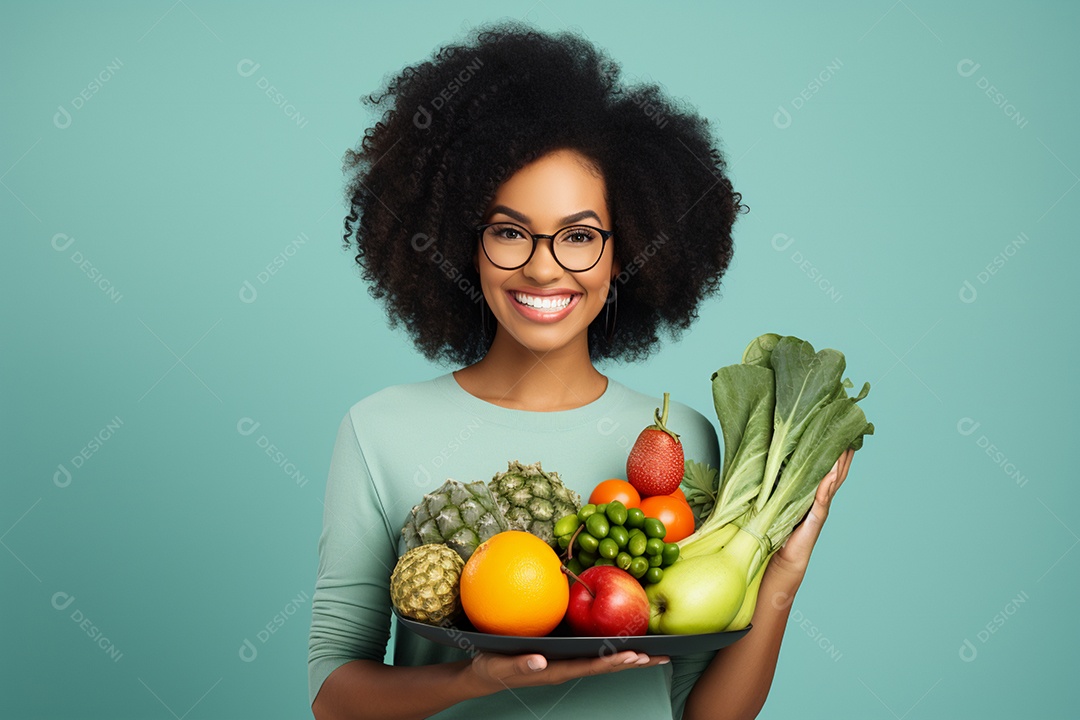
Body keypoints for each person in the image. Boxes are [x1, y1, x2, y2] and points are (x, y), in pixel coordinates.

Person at [308, 21, 855, 720]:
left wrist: (783, 570)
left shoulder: (674, 442)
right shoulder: (379, 430)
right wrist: (470, 682)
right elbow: (332, 695)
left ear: (621, 254)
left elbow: (704, 714)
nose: (543, 266)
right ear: (463, 245)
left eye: (579, 237)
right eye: (509, 232)